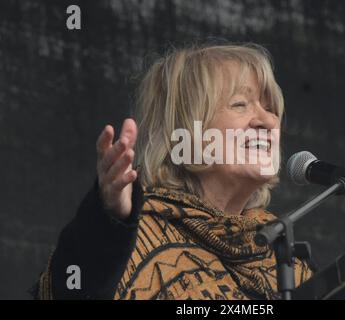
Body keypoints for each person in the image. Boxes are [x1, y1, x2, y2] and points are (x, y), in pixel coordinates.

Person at [34, 42, 312, 300]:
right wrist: (109, 219)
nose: (267, 120)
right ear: (185, 130)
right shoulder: (136, 239)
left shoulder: (285, 258)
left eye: (270, 107)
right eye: (240, 104)